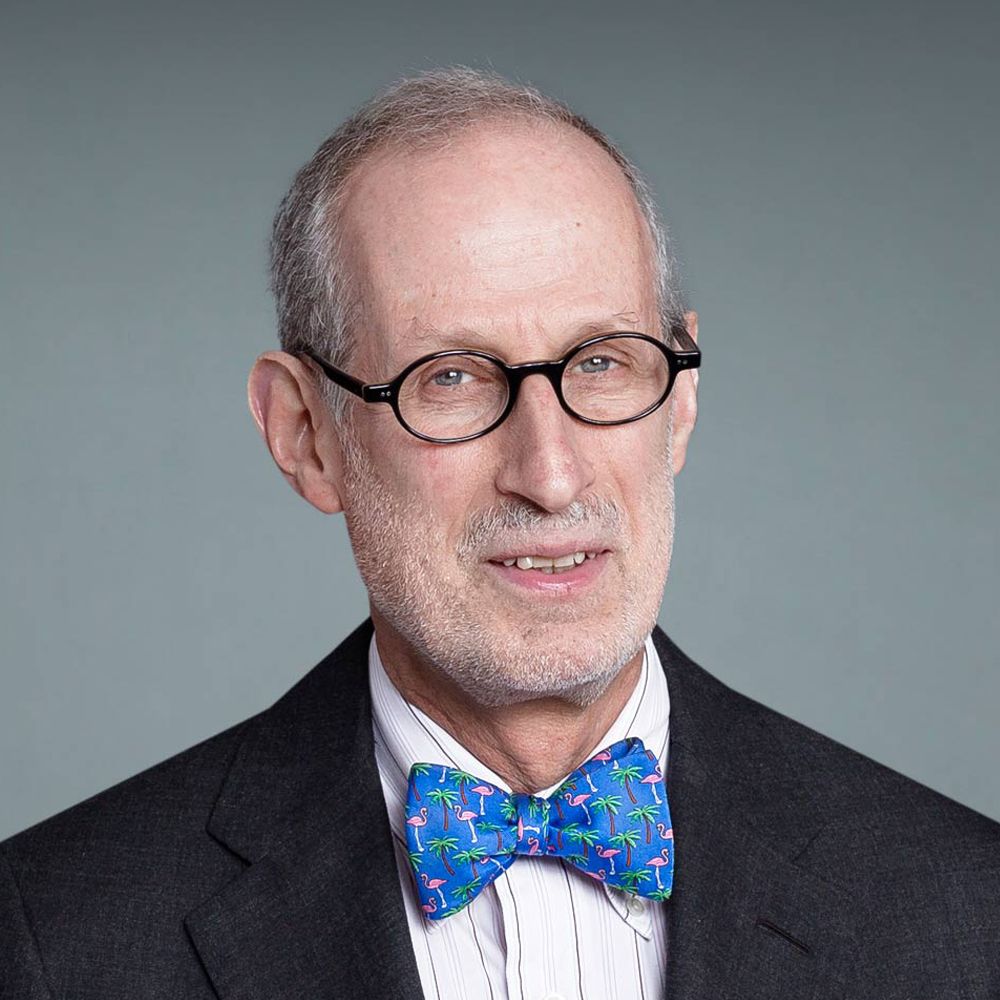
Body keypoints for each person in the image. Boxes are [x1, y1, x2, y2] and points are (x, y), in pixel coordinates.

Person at [1, 68, 997, 1000]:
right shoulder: (56, 939)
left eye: (602, 362)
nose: (549, 474)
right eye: (450, 378)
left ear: (681, 401)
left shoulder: (968, 913)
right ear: (306, 435)